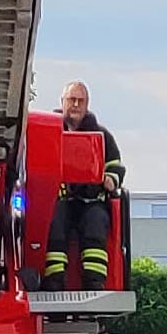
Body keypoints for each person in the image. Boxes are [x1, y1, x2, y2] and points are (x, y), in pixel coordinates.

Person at [42, 82, 126, 289]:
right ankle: (54, 281)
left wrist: (111, 179)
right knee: (54, 223)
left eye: (81, 101)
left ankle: (94, 282)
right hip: (60, 200)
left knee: (95, 224)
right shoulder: (48, 134)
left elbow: (116, 165)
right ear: (62, 102)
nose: (76, 105)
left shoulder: (102, 135)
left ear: (87, 104)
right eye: (72, 100)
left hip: (92, 201)